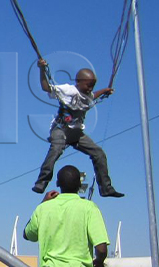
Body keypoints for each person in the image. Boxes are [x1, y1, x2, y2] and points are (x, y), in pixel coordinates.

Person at [32, 60, 123, 197]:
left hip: (76, 133)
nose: (90, 89)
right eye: (88, 85)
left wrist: (104, 90)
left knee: (98, 153)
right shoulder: (68, 90)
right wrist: (41, 69)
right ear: (78, 82)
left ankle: (106, 188)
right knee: (56, 149)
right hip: (61, 129)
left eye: (92, 86)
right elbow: (46, 87)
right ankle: (41, 182)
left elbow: (94, 95)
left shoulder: (88, 94)